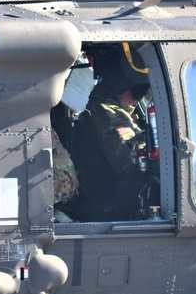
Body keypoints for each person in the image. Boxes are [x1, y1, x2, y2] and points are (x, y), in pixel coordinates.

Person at [66, 43, 153, 221]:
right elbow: (129, 162)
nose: (139, 98)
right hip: (109, 205)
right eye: (138, 91)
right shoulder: (107, 113)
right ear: (120, 84)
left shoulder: (103, 107)